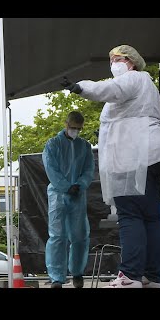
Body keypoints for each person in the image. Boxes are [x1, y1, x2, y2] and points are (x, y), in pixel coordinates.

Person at [61, 45, 160, 288]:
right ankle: (152, 277)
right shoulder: (145, 85)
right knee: (150, 217)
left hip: (137, 156)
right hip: (153, 154)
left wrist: (81, 87)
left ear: (132, 62)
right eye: (111, 59)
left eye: (118, 58)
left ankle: (130, 275)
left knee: (130, 214)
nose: (113, 62)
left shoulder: (133, 78)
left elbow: (109, 89)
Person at [42, 111, 95, 288]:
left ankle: (77, 273)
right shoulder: (53, 145)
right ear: (66, 124)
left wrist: (79, 184)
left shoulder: (85, 146)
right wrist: (66, 186)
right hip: (58, 195)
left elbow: (89, 169)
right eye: (73, 128)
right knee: (57, 235)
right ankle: (57, 277)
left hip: (78, 195)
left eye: (78, 129)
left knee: (80, 236)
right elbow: (51, 169)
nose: (75, 131)